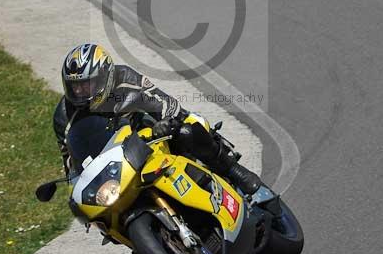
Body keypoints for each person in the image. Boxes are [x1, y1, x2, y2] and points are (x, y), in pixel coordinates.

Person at [53, 43, 261, 195]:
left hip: (152, 139)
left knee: (188, 128)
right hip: (114, 167)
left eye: (86, 85)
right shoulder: (63, 117)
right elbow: (71, 167)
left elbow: (168, 105)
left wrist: (166, 123)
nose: (80, 92)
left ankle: (233, 170)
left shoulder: (125, 79)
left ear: (104, 76)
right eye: (74, 87)